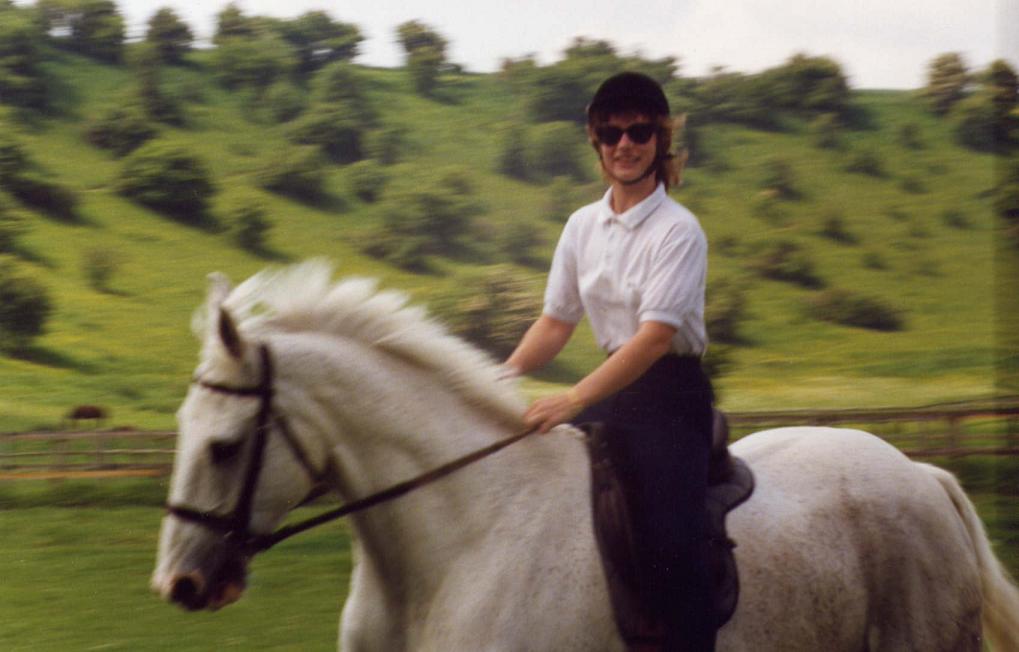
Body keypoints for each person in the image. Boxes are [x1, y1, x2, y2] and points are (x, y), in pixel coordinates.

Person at [503, 71, 716, 651]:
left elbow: (651, 339)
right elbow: (555, 322)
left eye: (640, 131)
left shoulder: (679, 231)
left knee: (671, 543)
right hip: (611, 392)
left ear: (660, 140)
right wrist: (502, 377)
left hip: (669, 397)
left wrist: (573, 398)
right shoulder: (580, 227)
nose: (626, 143)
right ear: (597, 143)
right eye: (612, 132)